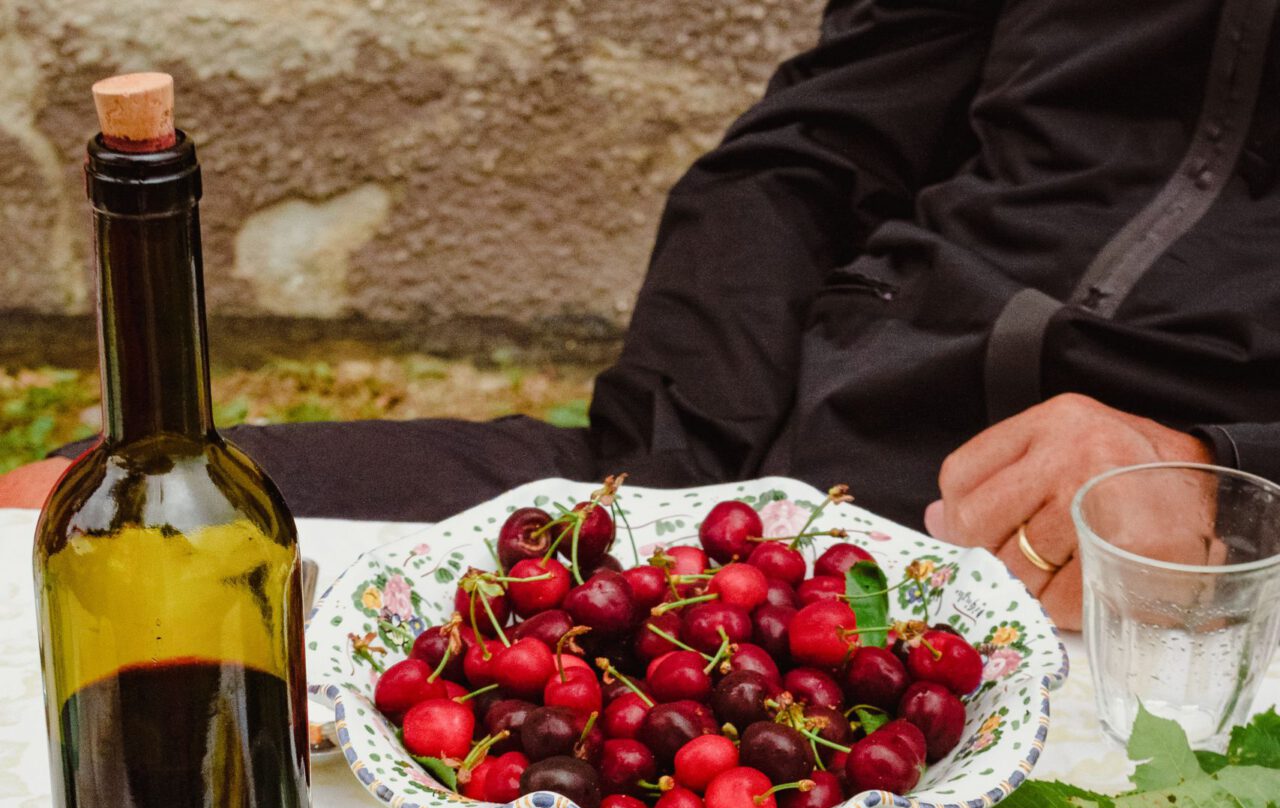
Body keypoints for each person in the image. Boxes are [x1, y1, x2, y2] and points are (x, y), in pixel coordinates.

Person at [5, 0, 1278, 627]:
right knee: (57, 514)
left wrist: (1221, 484)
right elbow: (809, 149)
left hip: (1167, 587)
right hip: (764, 477)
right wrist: (684, 460)